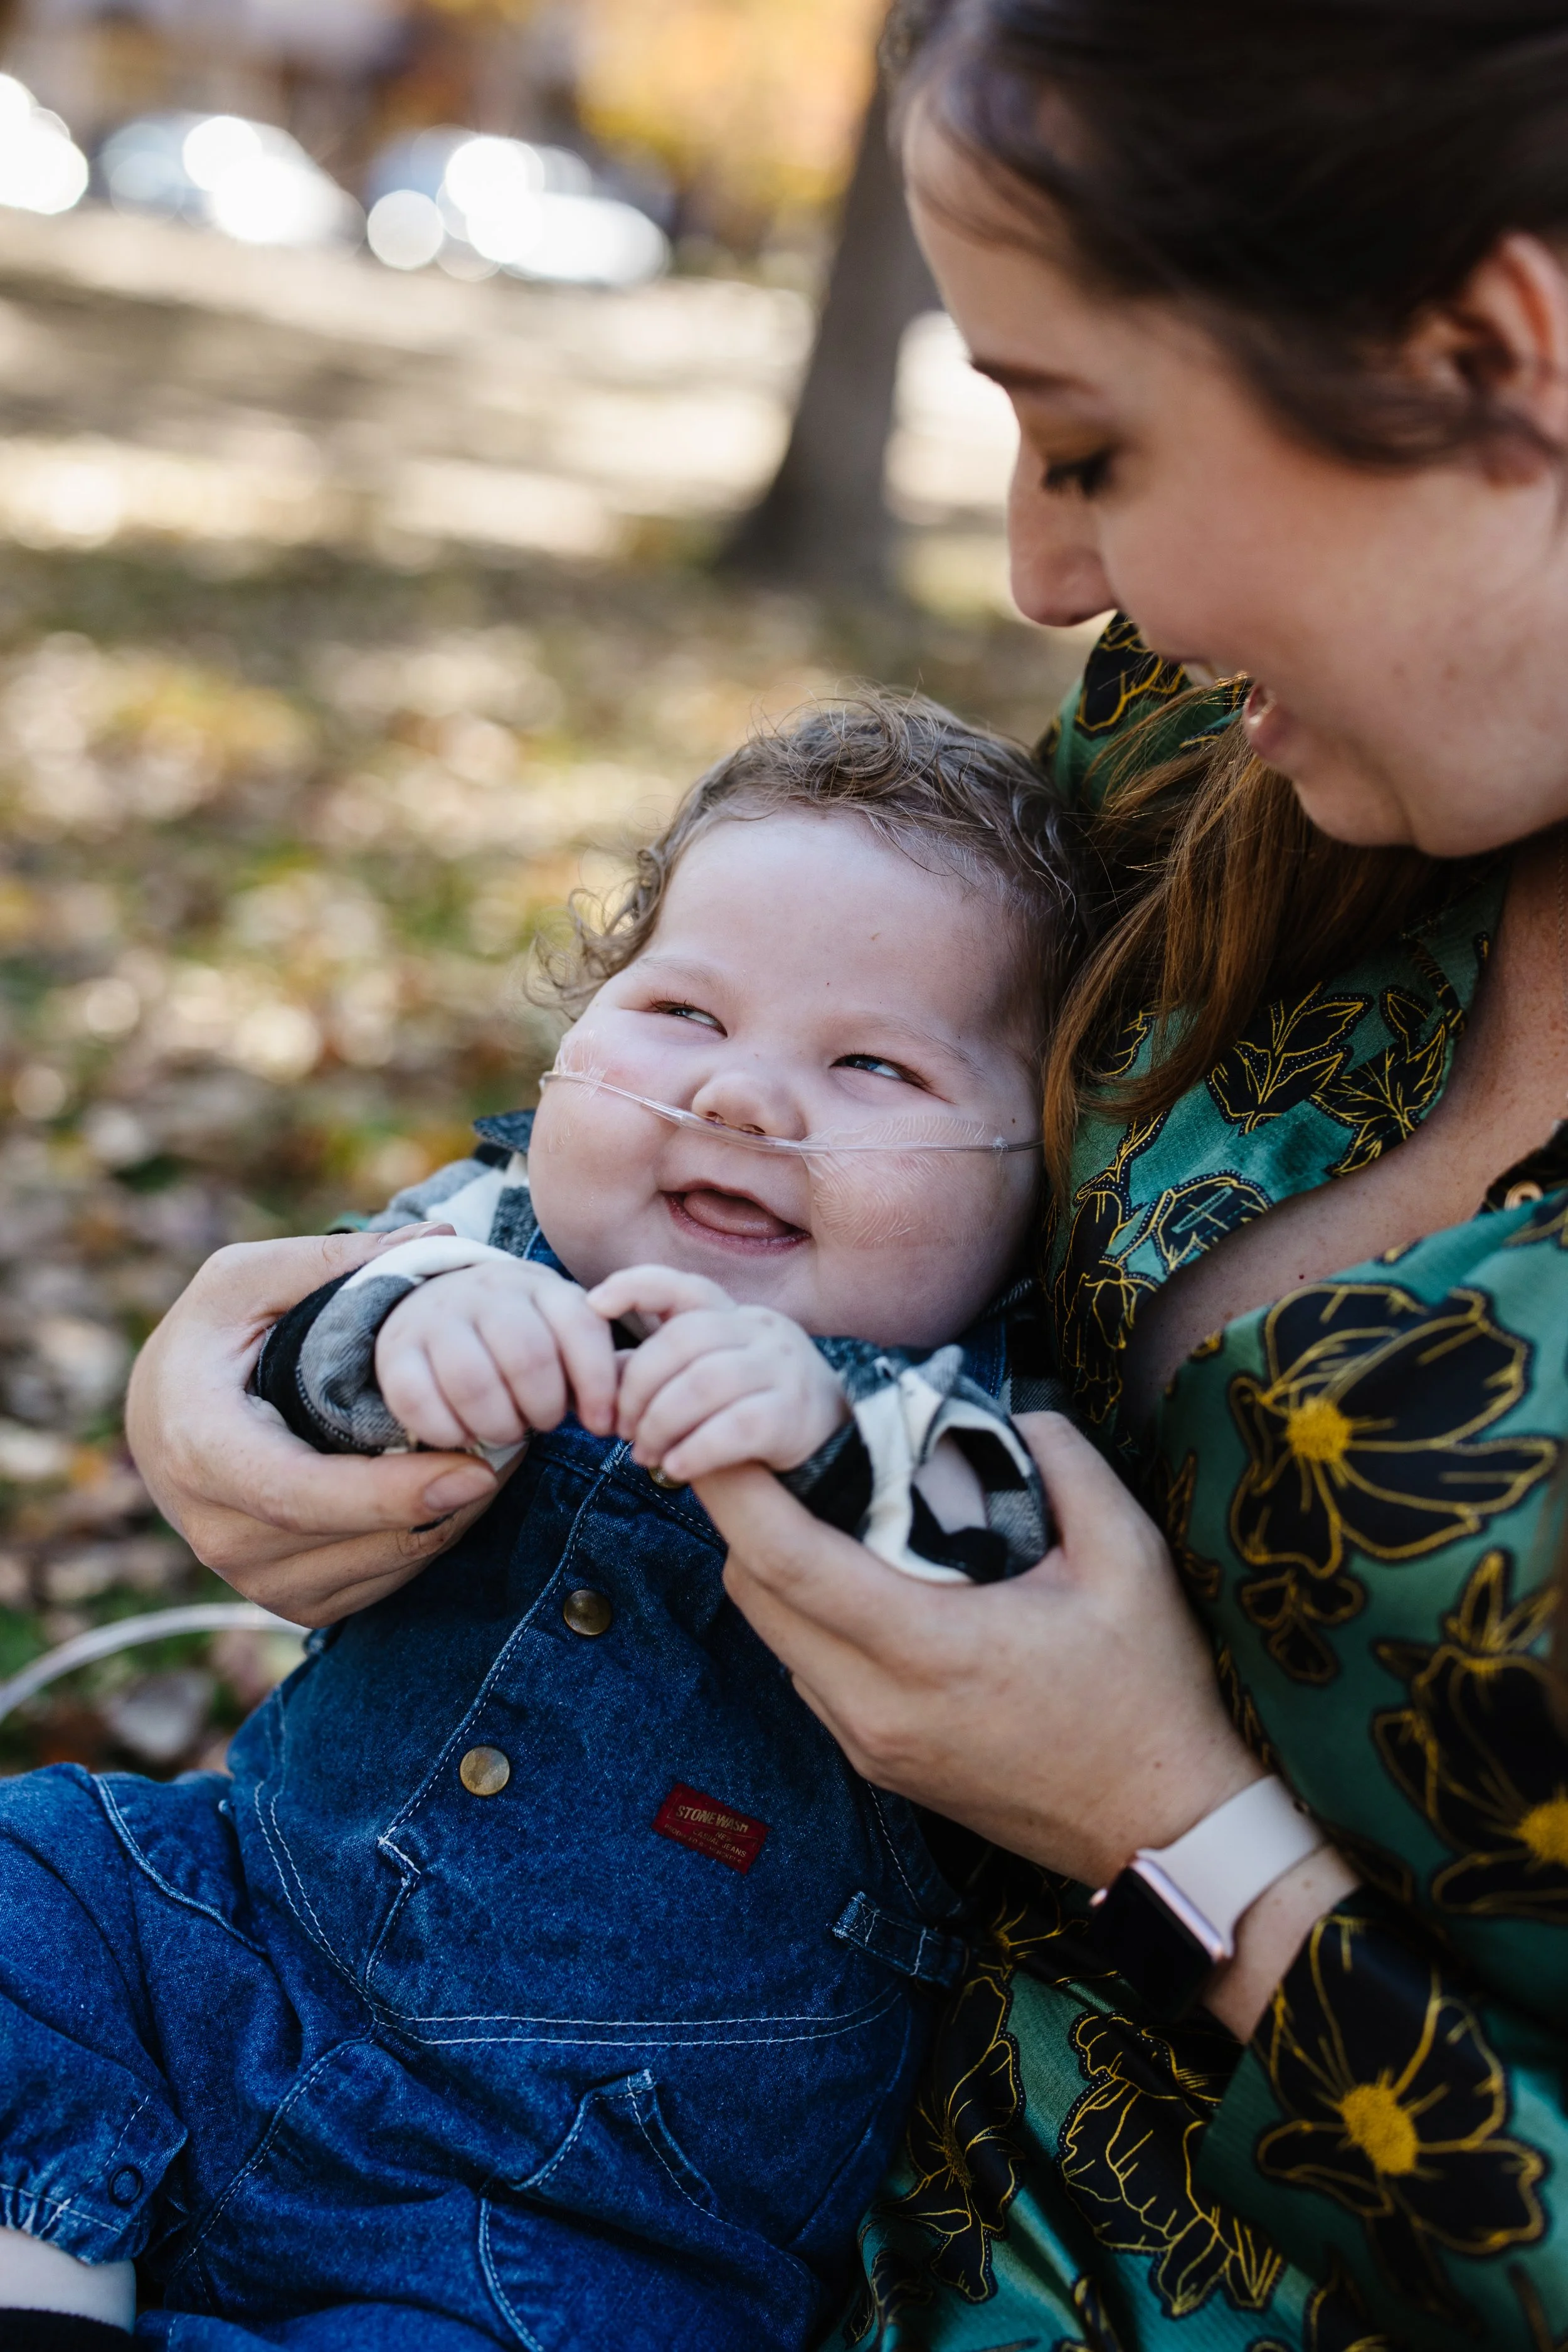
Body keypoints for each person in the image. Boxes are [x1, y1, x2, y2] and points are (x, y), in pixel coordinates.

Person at [99, 0, 1568, 2343]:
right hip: (308, 1997)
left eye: (1088, 438)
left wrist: (1165, 1833)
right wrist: (301, 1341)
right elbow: (774, 1057)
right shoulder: (1245, 744)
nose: (1036, 573)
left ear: (1499, 357)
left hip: (628, 2253)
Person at [0, 694, 1082, 2351]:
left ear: (1034, 1168)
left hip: (585, 2194)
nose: (742, 1097)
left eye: (868, 1063)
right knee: (35, 1878)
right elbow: (298, 1364)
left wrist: (819, 1419)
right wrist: (394, 1335)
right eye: (680, 1010)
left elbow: (998, 1545)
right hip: (239, 1939)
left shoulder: (971, 1410)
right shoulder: (485, 1238)